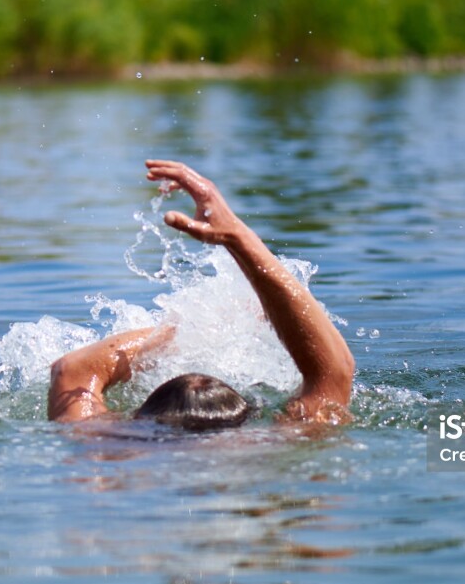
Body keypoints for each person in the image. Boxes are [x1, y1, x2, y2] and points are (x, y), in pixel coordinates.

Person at [47, 160, 355, 428]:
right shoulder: (274, 443)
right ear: (249, 421)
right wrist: (237, 235)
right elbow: (335, 371)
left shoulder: (107, 445)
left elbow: (73, 370)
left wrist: (176, 335)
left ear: (136, 418)